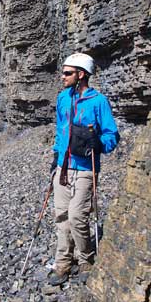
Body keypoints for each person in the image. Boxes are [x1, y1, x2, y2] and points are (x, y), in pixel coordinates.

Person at [49, 53, 119, 285]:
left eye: (68, 73)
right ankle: (63, 264)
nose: (63, 76)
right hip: (63, 167)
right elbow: (61, 130)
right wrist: (56, 158)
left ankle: (86, 259)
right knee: (62, 217)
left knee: (78, 215)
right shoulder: (62, 98)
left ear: (81, 75)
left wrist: (100, 144)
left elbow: (111, 134)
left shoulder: (98, 101)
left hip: (86, 169)